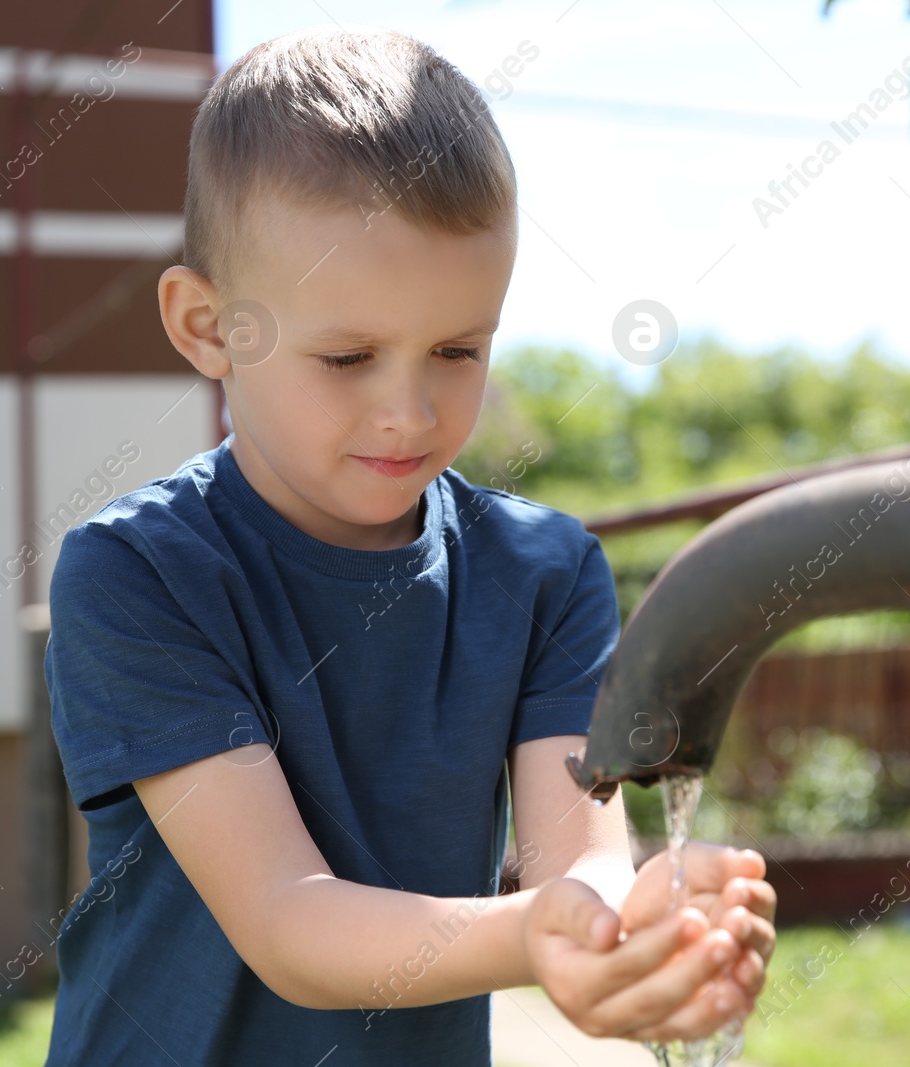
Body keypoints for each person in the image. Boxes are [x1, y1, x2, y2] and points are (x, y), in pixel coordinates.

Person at [41, 24, 776, 1065]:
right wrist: (537, 928)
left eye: (456, 349)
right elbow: (289, 920)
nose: (409, 410)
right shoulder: (141, 573)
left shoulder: (543, 575)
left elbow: (580, 868)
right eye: (346, 356)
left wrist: (644, 938)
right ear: (208, 327)